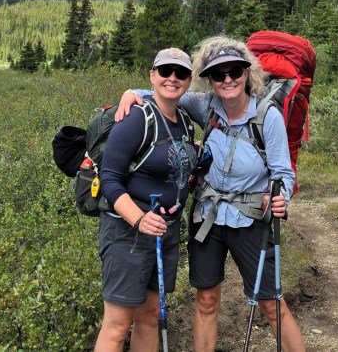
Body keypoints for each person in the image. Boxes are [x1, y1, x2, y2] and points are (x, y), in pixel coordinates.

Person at [116, 36, 306, 352]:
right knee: (205, 300)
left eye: (234, 71)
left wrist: (280, 197)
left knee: (270, 304)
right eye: (218, 74)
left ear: (247, 73)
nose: (227, 79)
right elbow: (165, 92)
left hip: (252, 220)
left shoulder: (267, 115)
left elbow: (282, 174)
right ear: (209, 80)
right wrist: (132, 93)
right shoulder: (204, 106)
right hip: (208, 218)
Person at [95, 47, 197, 351]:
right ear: (152, 76)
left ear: (189, 80)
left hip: (165, 230)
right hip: (129, 231)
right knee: (117, 325)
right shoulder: (136, 117)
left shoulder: (185, 121)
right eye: (165, 71)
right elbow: (109, 178)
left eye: (180, 73)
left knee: (150, 316)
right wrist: (139, 218)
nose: (172, 78)